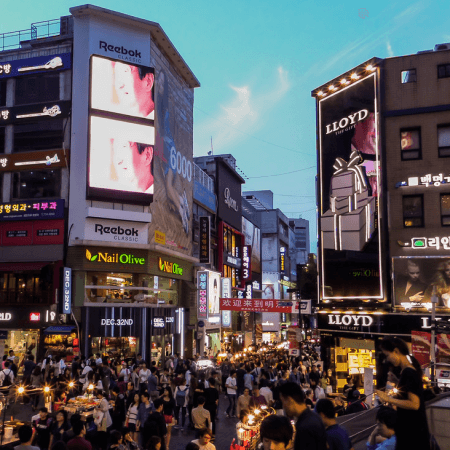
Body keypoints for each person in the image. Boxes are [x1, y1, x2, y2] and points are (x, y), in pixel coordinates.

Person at [375, 337, 430, 450]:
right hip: (413, 432)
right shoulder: (408, 371)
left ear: (396, 351)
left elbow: (414, 404)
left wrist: (388, 398)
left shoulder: (408, 372)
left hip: (411, 433)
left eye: (387, 355)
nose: (388, 359)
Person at [279, 382, 327, 450]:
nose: (283, 406)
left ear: (289, 400)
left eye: (283, 402)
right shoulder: (313, 418)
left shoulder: (305, 425)